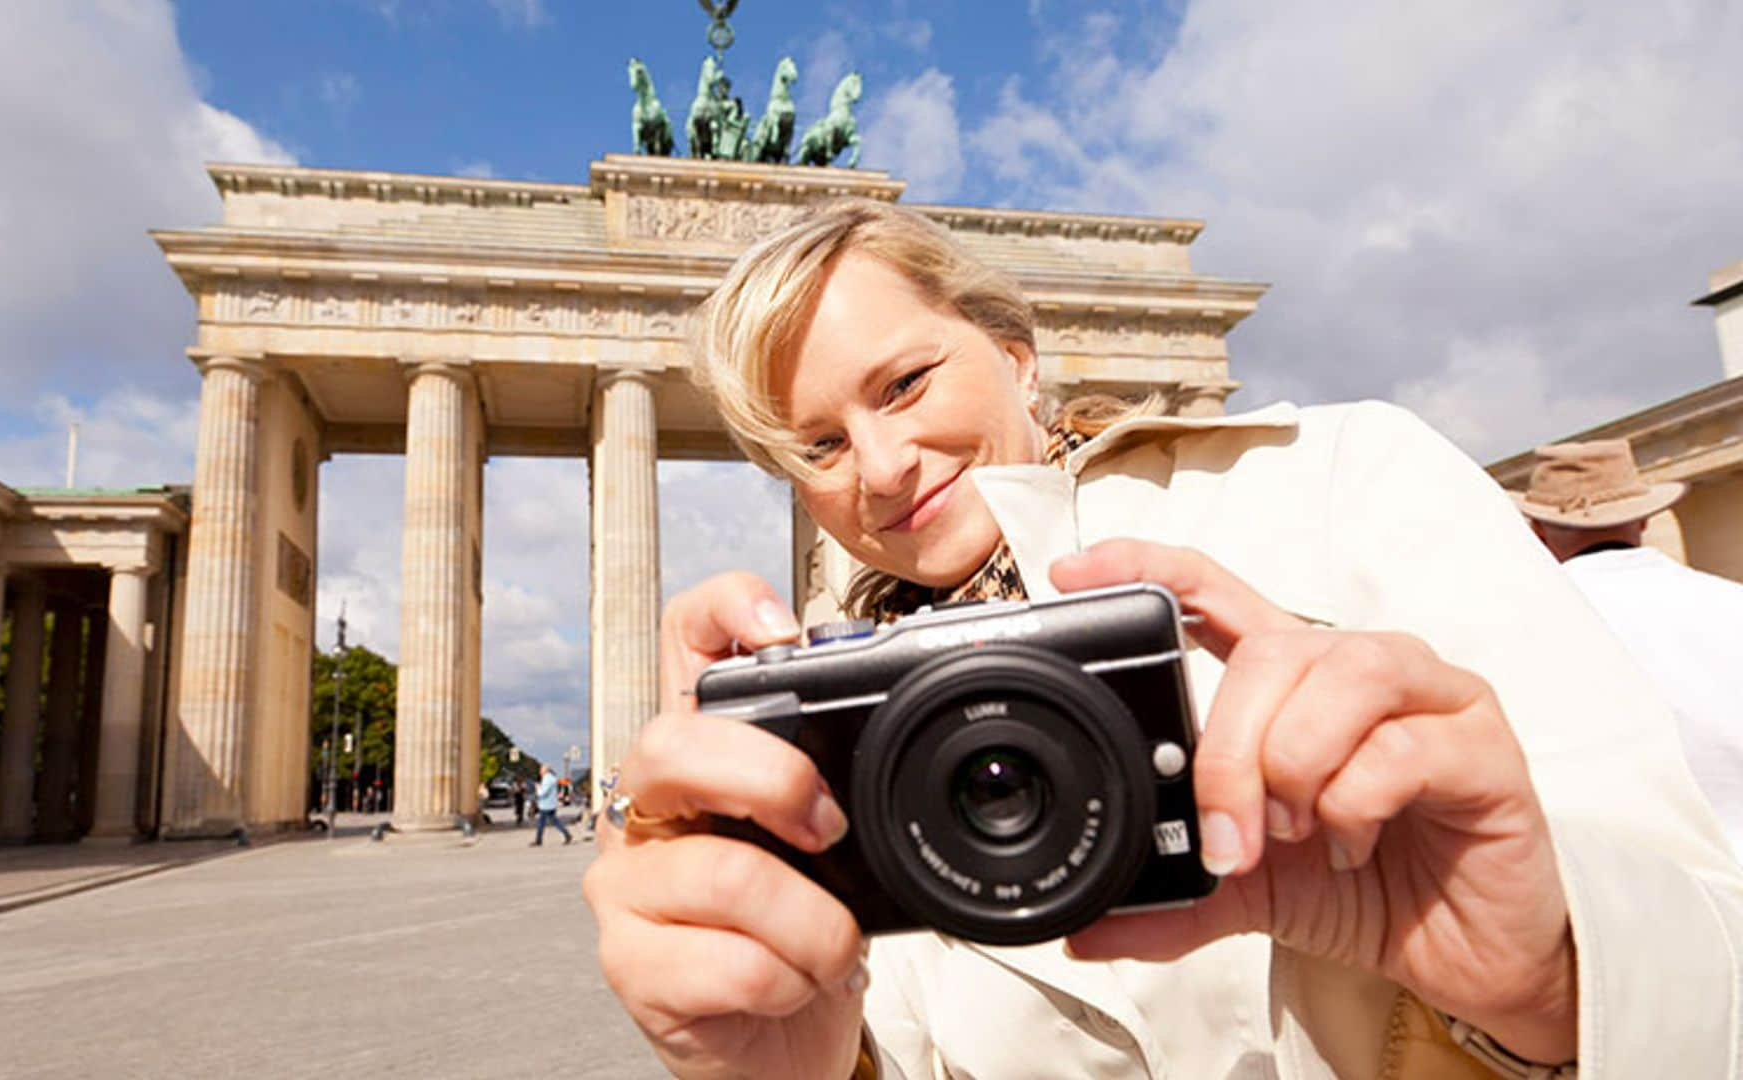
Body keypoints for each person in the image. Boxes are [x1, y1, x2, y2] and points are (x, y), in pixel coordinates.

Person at [580, 199, 1743, 1079]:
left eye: (905, 382)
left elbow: (1701, 926)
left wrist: (1553, 979)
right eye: (820, 449)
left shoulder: (1336, 480)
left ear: (1014, 352)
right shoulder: (831, 727)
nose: (882, 468)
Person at [1514, 438, 1743, 857]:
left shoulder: (1525, 628)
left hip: (1643, 895)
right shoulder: (1733, 602)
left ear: (1538, 532)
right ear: (1642, 520)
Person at [531, 764, 572, 847]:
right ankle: (567, 834)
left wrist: (537, 788)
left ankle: (538, 840)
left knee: (541, 823)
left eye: (541, 770)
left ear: (545, 771)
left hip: (546, 805)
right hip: (551, 804)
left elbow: (542, 793)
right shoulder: (552, 778)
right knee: (555, 821)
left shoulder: (547, 779)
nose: (540, 772)